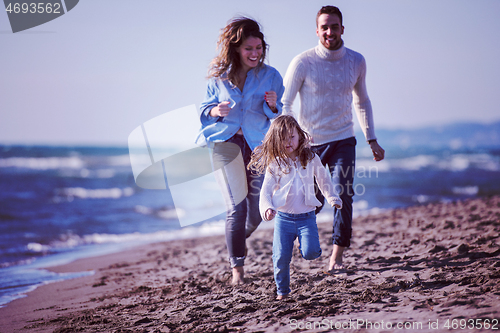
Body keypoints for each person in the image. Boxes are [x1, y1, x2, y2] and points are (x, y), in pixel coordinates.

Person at [282, 6, 385, 273]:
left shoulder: (356, 61)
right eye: (324, 27)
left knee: (343, 194)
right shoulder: (302, 62)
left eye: (334, 26)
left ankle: (337, 256)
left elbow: (361, 101)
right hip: (309, 144)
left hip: (343, 139)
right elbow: (285, 103)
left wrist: (371, 139)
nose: (330, 32)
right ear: (317, 31)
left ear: (342, 28)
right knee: (308, 200)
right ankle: (297, 239)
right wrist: (289, 140)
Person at [197, 17, 284, 285]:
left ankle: (236, 239)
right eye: (249, 49)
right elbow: (203, 112)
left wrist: (272, 104)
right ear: (236, 48)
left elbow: (277, 113)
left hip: (258, 146)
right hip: (226, 145)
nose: (255, 53)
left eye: (259, 48)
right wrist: (215, 110)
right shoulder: (219, 77)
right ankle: (238, 270)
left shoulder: (271, 75)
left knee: (258, 210)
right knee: (236, 208)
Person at [248, 115, 342, 299]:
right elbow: (265, 191)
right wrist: (266, 208)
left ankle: (303, 241)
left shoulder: (310, 158)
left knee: (311, 253)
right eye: (282, 138)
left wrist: (332, 197)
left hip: (306, 218)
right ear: (275, 140)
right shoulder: (275, 163)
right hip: (283, 219)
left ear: (299, 135)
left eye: (291, 136)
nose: (287, 141)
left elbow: (323, 179)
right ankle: (282, 291)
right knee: (281, 258)